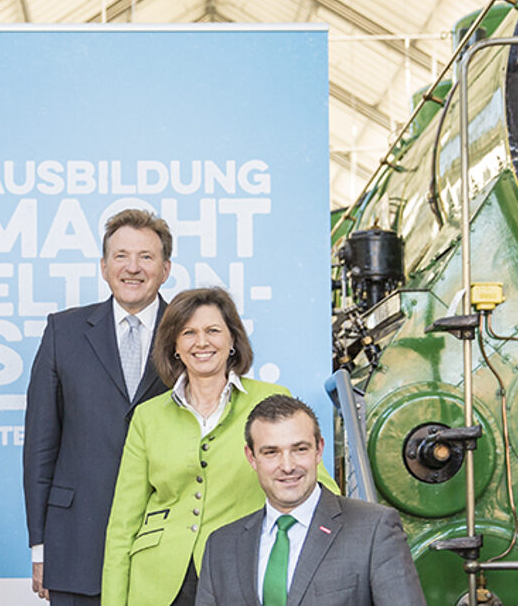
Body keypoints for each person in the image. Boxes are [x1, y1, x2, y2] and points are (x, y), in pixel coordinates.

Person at [102, 287, 338, 606]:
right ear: (175, 346)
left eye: (213, 330)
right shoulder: (147, 416)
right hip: (159, 581)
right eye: (189, 333)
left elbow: (316, 484)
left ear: (232, 341)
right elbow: (122, 523)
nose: (202, 342)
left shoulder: (270, 399)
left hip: (242, 569)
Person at [23, 208, 175, 605]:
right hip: (76, 545)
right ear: (104, 267)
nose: (133, 268)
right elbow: (40, 446)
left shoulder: (190, 334)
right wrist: (40, 548)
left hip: (165, 547)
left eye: (146, 257)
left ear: (165, 269)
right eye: (121, 256)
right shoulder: (63, 332)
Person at [196, 395, 426, 606]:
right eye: (271, 453)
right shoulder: (220, 546)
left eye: (299, 449)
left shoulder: (374, 529)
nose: (287, 466)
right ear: (252, 457)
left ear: (318, 450)